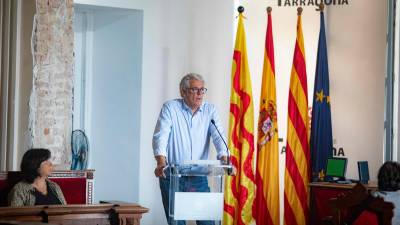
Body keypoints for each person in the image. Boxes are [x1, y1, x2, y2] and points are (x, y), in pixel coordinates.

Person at [153, 73, 228, 225]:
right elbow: (161, 136)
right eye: (195, 89)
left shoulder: (210, 111)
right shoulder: (170, 108)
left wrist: (225, 158)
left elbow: (219, 137)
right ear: (183, 92)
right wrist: (161, 162)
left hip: (198, 178)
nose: (200, 93)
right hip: (173, 177)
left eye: (202, 90)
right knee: (177, 223)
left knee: (207, 222)